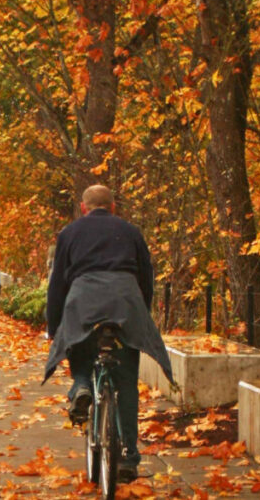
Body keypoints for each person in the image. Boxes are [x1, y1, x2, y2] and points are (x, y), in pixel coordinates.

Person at [43, 184, 173, 482]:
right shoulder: (131, 232)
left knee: (80, 350)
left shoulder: (69, 233)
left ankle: (82, 387)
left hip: (84, 302)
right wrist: (141, 312)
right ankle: (129, 456)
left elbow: (57, 286)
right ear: (113, 207)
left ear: (83, 207)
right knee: (126, 380)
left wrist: (55, 327)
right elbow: (146, 277)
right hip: (125, 303)